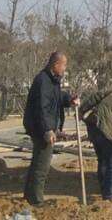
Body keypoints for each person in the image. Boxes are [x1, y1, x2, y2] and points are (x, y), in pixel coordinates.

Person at [22, 51, 79, 207]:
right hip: (40, 129)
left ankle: (29, 196)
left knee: (37, 162)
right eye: (64, 65)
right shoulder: (43, 81)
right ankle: (36, 200)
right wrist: (47, 130)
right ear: (56, 64)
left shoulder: (52, 80)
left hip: (42, 127)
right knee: (42, 165)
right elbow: (42, 108)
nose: (65, 69)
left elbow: (57, 96)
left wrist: (69, 99)